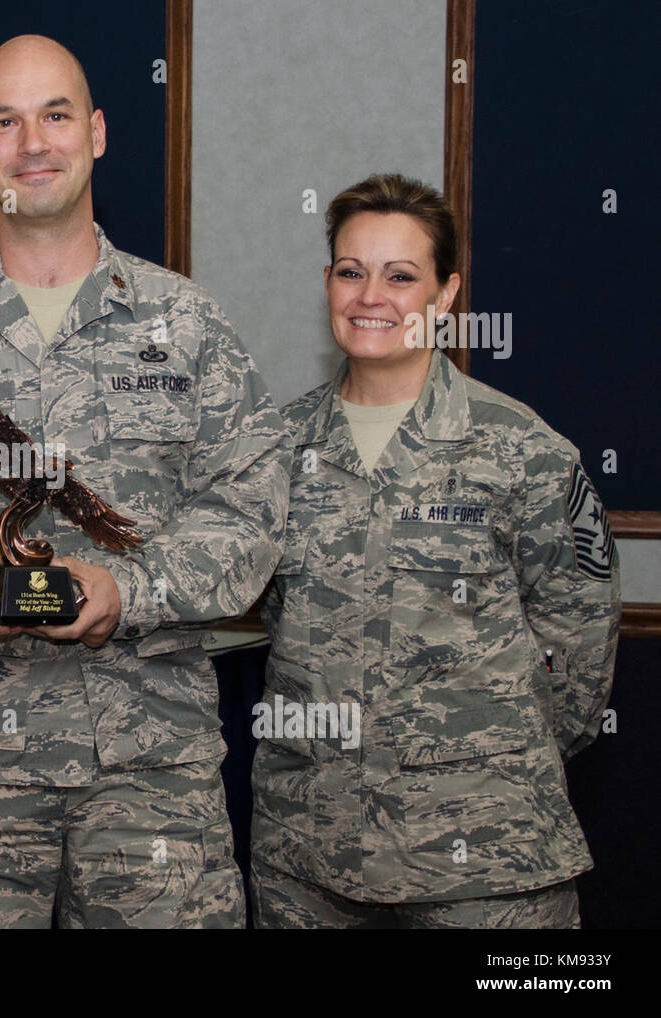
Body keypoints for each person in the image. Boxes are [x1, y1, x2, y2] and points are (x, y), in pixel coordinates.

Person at [0, 35, 289, 928]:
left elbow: (248, 513)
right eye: (6, 121)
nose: (32, 142)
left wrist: (134, 588)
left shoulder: (188, 325)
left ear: (99, 133)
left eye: (55, 115)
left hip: (149, 775)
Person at [251, 172, 621, 928]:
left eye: (401, 275)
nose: (370, 296)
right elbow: (270, 613)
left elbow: (580, 657)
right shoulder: (274, 451)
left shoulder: (523, 450)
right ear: (327, 284)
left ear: (446, 295)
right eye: (351, 272)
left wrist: (480, 766)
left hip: (484, 860)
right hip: (310, 857)